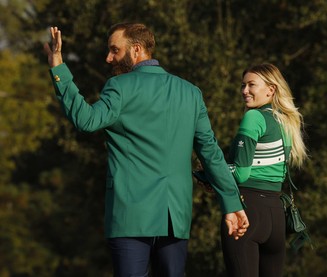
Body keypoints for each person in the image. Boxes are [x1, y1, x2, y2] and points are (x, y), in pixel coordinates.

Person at [43, 22, 249, 277]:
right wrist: (231, 202)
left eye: (114, 50)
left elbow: (85, 120)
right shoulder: (191, 93)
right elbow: (210, 153)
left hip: (130, 215)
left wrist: (58, 69)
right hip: (175, 216)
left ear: (136, 50)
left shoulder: (119, 87)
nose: (108, 58)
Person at [220, 63, 307, 277]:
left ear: (271, 89)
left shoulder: (254, 117)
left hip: (248, 211)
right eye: (243, 85)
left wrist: (212, 172)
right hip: (275, 216)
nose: (244, 91)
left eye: (251, 85)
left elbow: (241, 173)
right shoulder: (285, 120)